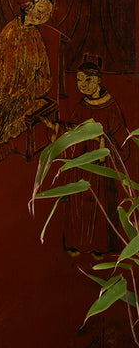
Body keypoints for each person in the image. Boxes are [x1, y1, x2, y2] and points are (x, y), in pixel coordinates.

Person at [60, 59, 131, 257]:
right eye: (79, 81)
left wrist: (102, 141)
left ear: (98, 80)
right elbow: (72, 133)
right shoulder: (80, 106)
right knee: (77, 205)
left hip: (101, 167)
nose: (82, 85)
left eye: (87, 80)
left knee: (101, 206)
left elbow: (121, 142)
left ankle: (101, 247)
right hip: (81, 166)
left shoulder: (111, 106)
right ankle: (76, 243)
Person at [0, 0, 57, 160]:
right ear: (29, 6)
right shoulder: (10, 30)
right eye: (40, 9)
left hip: (27, 95)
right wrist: (5, 82)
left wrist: (29, 89)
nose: (41, 16)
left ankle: (6, 150)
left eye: (46, 14)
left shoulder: (37, 38)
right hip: (7, 92)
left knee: (9, 120)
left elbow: (45, 76)